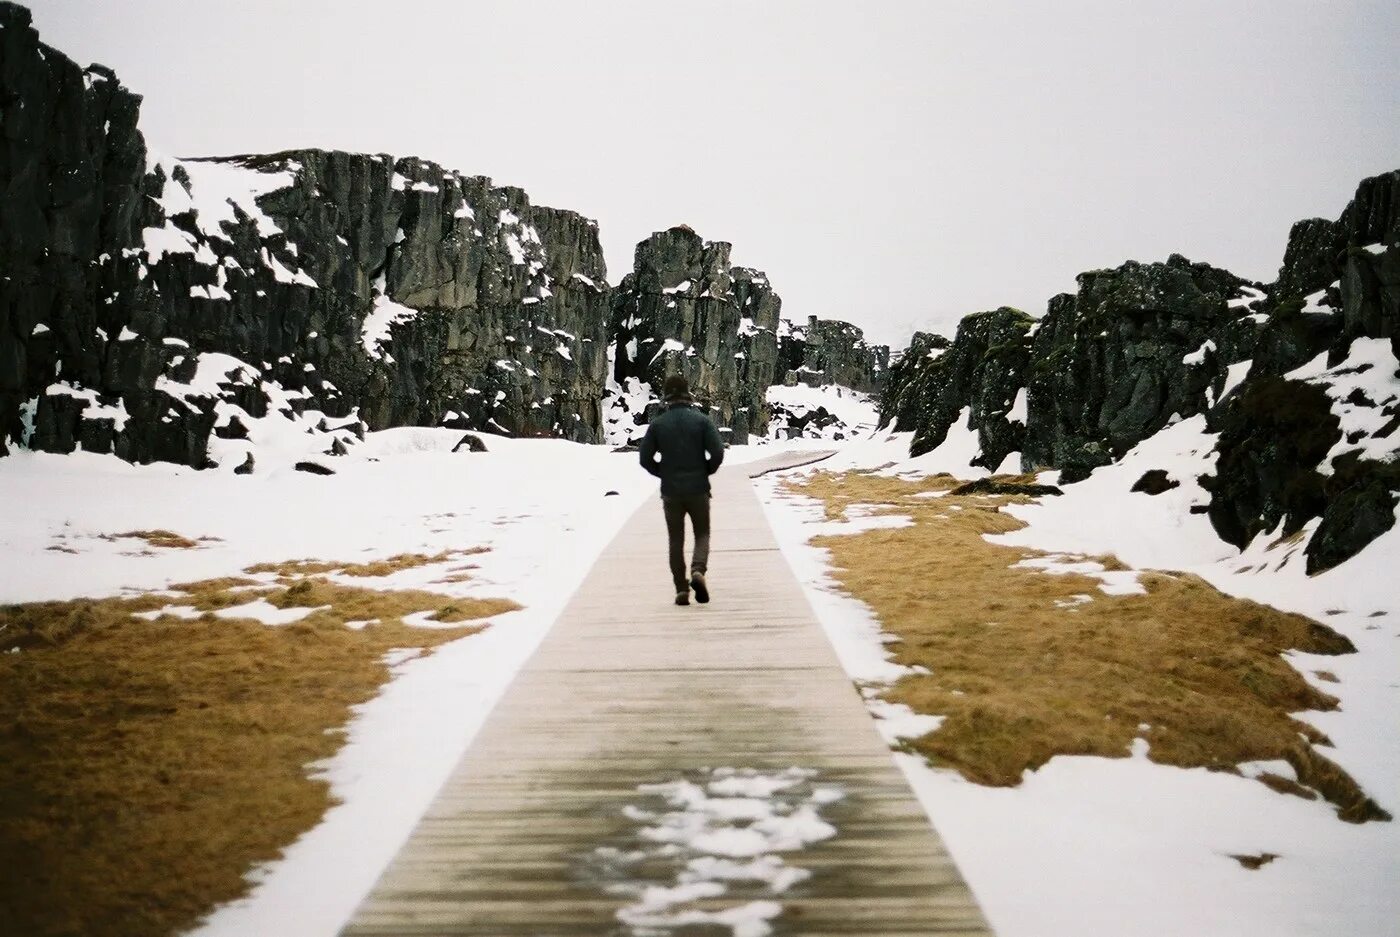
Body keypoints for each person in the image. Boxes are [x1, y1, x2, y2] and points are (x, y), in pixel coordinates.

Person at [638, 373, 725, 606]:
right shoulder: (701, 421)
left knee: (675, 539)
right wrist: (705, 470)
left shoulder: (658, 425)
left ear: (667, 396)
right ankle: (698, 571)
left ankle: (681, 590)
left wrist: (663, 472)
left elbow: (645, 458)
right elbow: (717, 452)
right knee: (702, 534)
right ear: (687, 394)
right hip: (698, 489)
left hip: (671, 492)